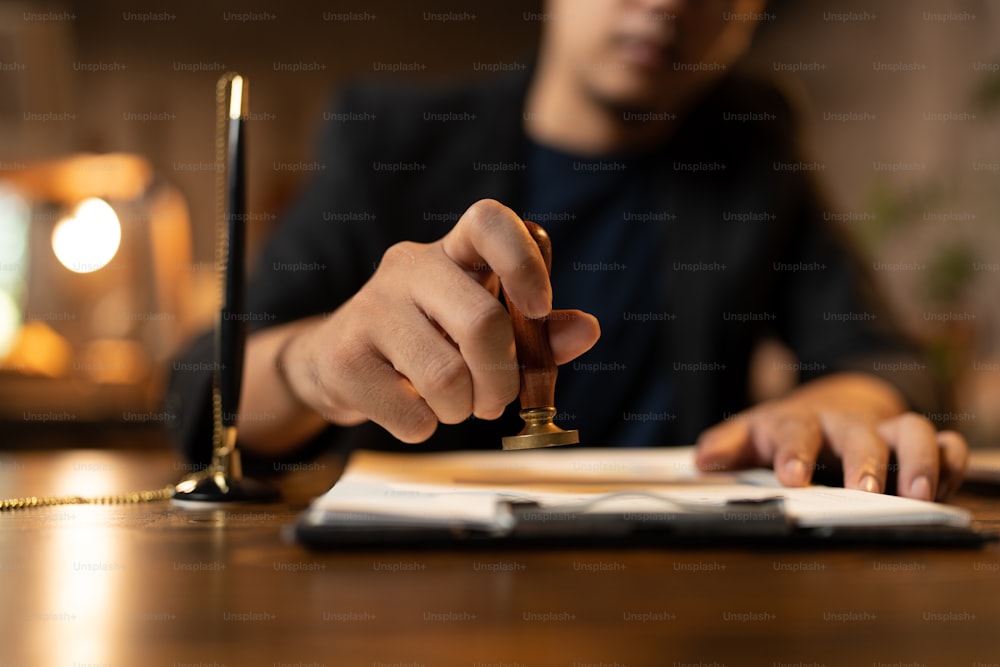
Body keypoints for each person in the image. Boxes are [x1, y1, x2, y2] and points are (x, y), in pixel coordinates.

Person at [167, 0, 967, 501]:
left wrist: (841, 406)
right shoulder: (391, 139)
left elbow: (887, 356)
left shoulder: (752, 144)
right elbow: (197, 388)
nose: (668, 4)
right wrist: (315, 365)